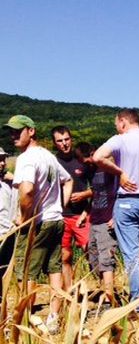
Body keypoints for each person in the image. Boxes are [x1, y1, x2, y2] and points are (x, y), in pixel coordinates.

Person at [93, 109, 139, 315]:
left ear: (123, 122)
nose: (116, 128)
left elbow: (97, 157)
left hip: (126, 203)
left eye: (117, 124)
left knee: (132, 255)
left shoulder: (120, 140)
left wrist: (120, 172)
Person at [4, 115, 72, 335]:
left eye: (18, 131)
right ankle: (53, 318)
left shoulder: (27, 158)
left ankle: (24, 320)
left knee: (27, 273)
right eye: (11, 132)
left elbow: (26, 190)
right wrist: (60, 206)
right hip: (56, 220)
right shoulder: (49, 157)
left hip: (38, 223)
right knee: (54, 270)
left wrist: (24, 218)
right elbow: (68, 180)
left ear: (31, 131)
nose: (13, 135)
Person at [75, 142, 118, 309]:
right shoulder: (92, 171)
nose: (88, 162)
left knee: (106, 260)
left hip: (107, 219)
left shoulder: (110, 167)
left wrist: (116, 216)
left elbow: (121, 191)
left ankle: (109, 302)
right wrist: (85, 214)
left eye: (89, 158)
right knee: (94, 259)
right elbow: (96, 195)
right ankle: (105, 294)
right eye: (84, 161)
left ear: (95, 152)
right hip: (95, 218)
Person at [51, 125, 93, 291]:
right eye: (60, 141)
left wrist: (84, 195)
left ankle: (104, 290)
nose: (64, 144)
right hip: (61, 216)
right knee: (65, 257)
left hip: (82, 215)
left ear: (71, 139)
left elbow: (99, 187)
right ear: (55, 143)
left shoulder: (81, 160)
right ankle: (69, 293)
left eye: (67, 139)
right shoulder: (53, 162)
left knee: (91, 252)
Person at [0, 147, 18, 303]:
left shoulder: (8, 182)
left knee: (5, 271)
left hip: (9, 233)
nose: (1, 163)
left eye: (3, 159)